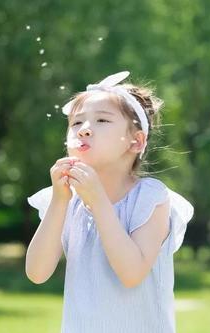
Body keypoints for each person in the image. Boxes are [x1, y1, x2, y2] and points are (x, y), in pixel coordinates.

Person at [25, 71, 194, 333]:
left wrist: (99, 202)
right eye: (76, 123)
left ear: (136, 141)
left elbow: (132, 273)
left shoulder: (150, 199)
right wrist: (59, 200)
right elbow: (37, 273)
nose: (85, 129)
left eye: (102, 120)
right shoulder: (64, 201)